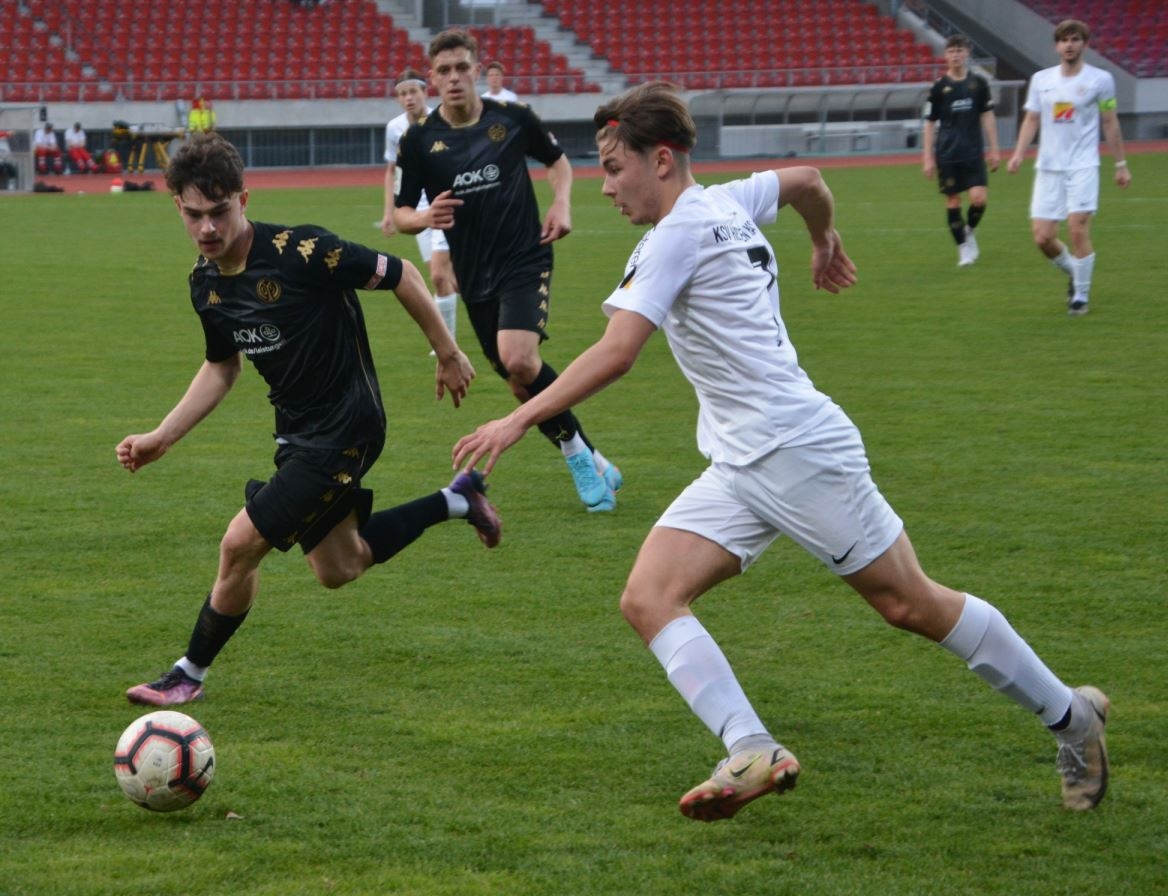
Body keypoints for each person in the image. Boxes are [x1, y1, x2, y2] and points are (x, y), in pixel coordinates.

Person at [453, 82, 1110, 822]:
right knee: (648, 597)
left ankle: (1071, 716)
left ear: (661, 160)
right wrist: (824, 239)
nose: (606, 187)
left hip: (798, 451)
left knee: (910, 602)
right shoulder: (727, 201)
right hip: (741, 462)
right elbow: (807, 182)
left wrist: (517, 421)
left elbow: (618, 351)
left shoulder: (677, 233)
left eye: (614, 169)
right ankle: (751, 747)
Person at [118, 132, 501, 707]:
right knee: (340, 567)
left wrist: (447, 352)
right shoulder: (206, 284)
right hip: (297, 433)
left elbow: (402, 273)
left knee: (239, 544)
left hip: (348, 426)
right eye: (194, 215)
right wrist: (161, 437)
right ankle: (458, 499)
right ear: (178, 207)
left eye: (219, 211)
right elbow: (222, 367)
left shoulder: (303, 251)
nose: (208, 228)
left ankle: (187, 674)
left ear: (243, 199)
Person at [395, 29, 622, 512]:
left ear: (476, 70)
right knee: (522, 382)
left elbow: (558, 163)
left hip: (525, 257)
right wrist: (424, 217)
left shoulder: (512, 118)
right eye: (444, 70)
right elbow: (400, 214)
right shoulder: (419, 140)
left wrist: (561, 203)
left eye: (462, 67)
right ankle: (595, 457)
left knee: (518, 359)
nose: (454, 78)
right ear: (433, 78)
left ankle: (577, 457)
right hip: (473, 276)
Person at [1007, 19, 1131, 315]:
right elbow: (1032, 118)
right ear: (1057, 46)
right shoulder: (1041, 80)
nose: (1069, 45)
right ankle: (1077, 273)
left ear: (1084, 44)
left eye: (1075, 39)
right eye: (1064, 40)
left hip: (1083, 165)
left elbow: (1109, 121)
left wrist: (1121, 164)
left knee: (1077, 229)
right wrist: (1018, 154)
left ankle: (1080, 297)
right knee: (1043, 237)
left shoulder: (1101, 80)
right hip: (1049, 167)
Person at [380, 68, 460, 349]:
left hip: (443, 203)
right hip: (416, 210)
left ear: (425, 92)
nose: (408, 98)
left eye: (413, 91)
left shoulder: (444, 120)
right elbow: (392, 171)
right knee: (447, 279)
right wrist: (389, 211)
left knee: (438, 275)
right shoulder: (395, 128)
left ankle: (446, 346)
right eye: (403, 94)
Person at [922, 34, 999, 267]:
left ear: (967, 53)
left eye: (959, 50)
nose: (955, 55)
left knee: (979, 199)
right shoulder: (938, 88)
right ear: (946, 55)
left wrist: (994, 148)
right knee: (953, 201)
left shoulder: (979, 83)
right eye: (951, 51)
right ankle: (963, 249)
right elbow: (929, 123)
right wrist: (927, 157)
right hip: (947, 154)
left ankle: (969, 230)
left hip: (973, 152)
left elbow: (987, 115)